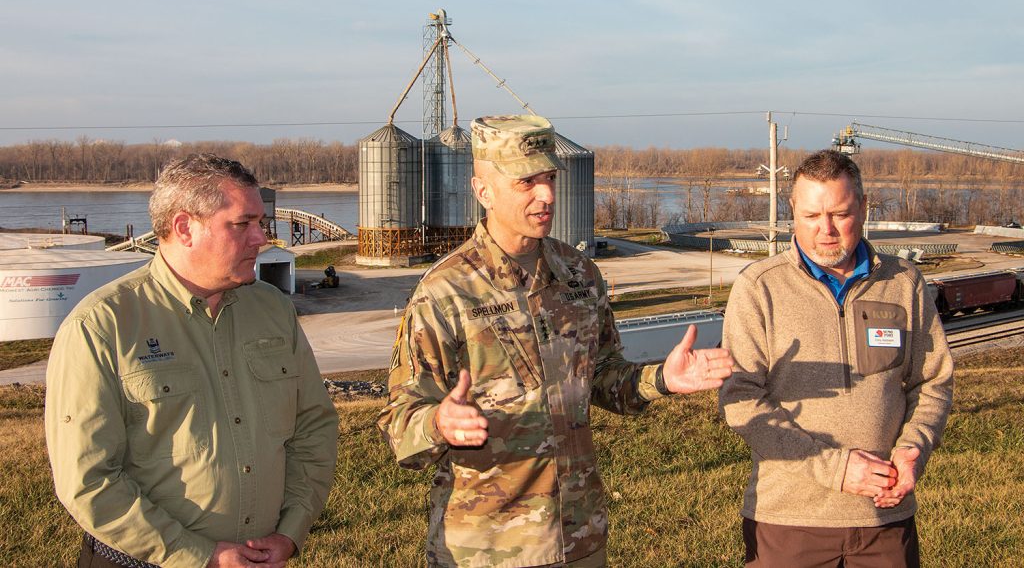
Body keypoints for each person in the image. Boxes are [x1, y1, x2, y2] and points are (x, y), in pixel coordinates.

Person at [377, 114, 735, 567]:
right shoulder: (445, 292)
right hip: (488, 550)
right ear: (483, 190)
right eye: (526, 182)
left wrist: (661, 378)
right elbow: (399, 426)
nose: (546, 195)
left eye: (549, 178)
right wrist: (438, 424)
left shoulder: (579, 275)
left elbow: (604, 378)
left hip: (580, 537)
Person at [45, 154, 339, 568]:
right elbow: (88, 481)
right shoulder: (102, 326)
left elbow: (314, 427)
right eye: (243, 225)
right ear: (185, 227)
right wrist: (199, 555)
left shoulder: (273, 310)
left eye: (262, 223)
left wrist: (291, 531)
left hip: (261, 557)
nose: (262, 239)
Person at [719, 149, 953, 568]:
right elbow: (740, 401)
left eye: (840, 214)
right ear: (792, 210)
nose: (825, 230)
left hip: (885, 517)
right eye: (811, 216)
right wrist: (835, 469)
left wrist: (913, 449)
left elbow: (932, 382)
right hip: (787, 521)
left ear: (863, 208)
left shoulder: (904, 283)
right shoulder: (759, 287)